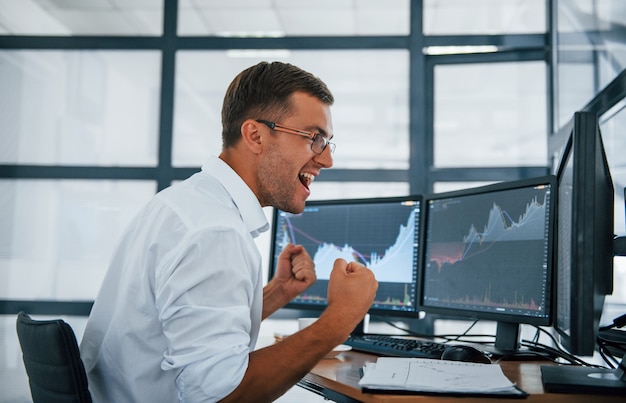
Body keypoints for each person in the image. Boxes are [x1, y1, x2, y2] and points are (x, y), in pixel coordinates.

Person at [80, 61, 378, 402]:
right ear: (255, 135)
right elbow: (221, 396)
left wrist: (277, 292)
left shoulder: (185, 204)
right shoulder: (214, 232)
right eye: (314, 138)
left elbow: (180, 325)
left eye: (327, 142)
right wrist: (341, 318)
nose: (326, 160)